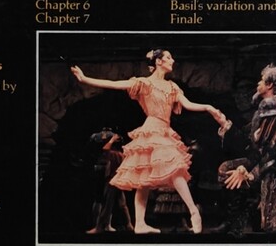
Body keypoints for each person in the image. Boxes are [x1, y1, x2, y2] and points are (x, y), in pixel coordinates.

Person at [70, 49, 230, 234]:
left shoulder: (172, 87)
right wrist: (85, 79)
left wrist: (209, 107)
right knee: (153, 175)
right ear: (159, 61)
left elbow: (188, 104)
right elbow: (115, 84)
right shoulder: (144, 83)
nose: (172, 60)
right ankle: (173, 216)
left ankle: (181, 214)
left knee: (167, 171)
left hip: (164, 129)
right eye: (168, 57)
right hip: (152, 129)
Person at [221, 64, 276, 234]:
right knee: (226, 170)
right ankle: (237, 224)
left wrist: (249, 173)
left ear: (270, 84)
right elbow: (249, 138)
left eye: (262, 80)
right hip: (263, 163)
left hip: (274, 167)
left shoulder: (275, 107)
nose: (258, 83)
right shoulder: (264, 110)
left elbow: (268, 149)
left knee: (271, 224)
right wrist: (225, 125)